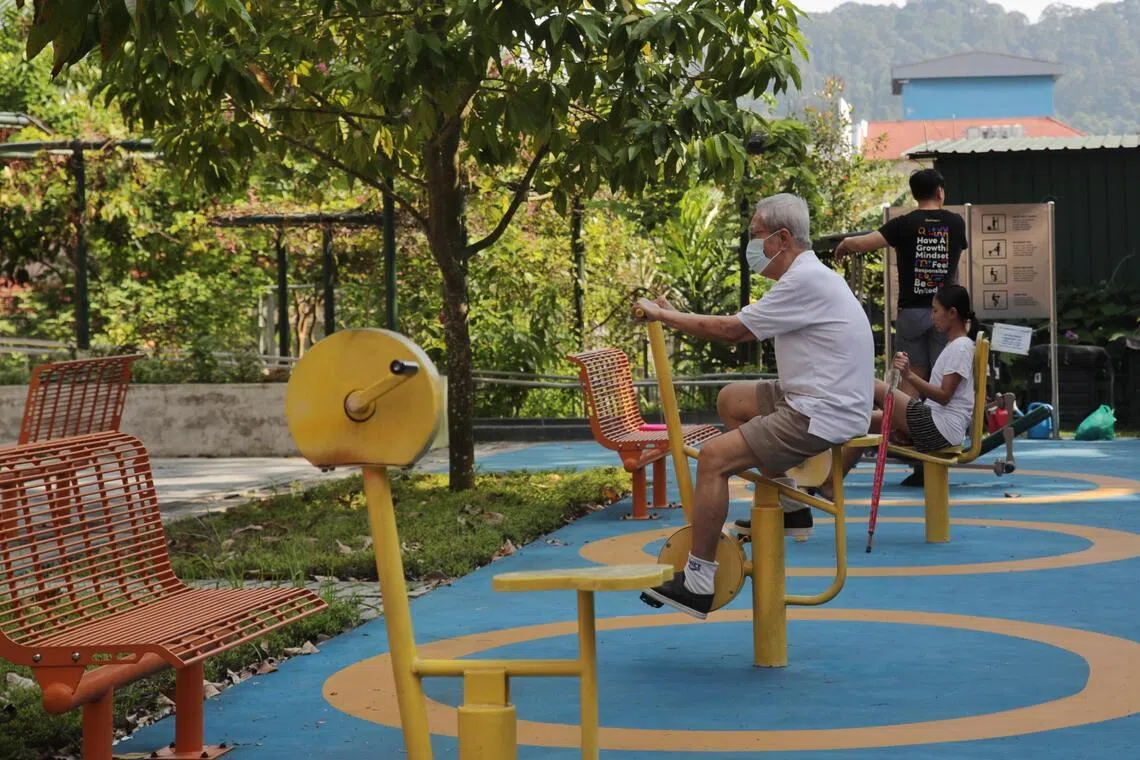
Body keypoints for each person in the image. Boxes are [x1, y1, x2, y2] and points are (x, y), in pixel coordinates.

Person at [634, 193, 874, 620]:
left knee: (713, 459)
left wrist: (666, 318)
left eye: (755, 236)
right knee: (732, 399)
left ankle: (699, 580)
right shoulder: (805, 276)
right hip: (812, 394)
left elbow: (734, 331)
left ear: (782, 238)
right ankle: (792, 505)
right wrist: (674, 315)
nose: (750, 245)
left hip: (821, 410)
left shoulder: (806, 281)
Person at [834, 168, 967, 485]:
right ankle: (928, 448)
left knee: (911, 376)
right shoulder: (955, 223)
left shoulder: (904, 224)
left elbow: (864, 244)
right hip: (943, 313)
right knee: (937, 378)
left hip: (910, 312)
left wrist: (844, 245)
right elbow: (956, 264)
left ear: (914, 194)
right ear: (940, 192)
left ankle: (897, 430)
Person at [819, 284, 979, 499]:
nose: (932, 317)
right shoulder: (956, 346)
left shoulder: (960, 347)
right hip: (937, 425)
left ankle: (826, 403)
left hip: (941, 429)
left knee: (874, 384)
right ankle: (829, 483)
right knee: (862, 420)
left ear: (952, 313)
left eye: (935, 310)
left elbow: (944, 396)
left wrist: (909, 376)